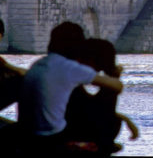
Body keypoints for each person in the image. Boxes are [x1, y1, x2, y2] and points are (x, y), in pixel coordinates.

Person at [18, 22, 123, 154]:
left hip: (31, 133)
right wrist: (113, 73)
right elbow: (116, 86)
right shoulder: (67, 67)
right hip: (51, 138)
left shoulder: (39, 64)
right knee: (112, 117)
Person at [65, 39, 138, 154]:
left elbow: (86, 108)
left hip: (79, 131)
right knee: (109, 91)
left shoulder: (69, 76)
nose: (98, 71)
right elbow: (115, 88)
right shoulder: (69, 77)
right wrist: (113, 76)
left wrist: (125, 119)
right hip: (74, 138)